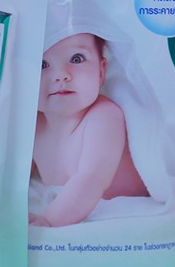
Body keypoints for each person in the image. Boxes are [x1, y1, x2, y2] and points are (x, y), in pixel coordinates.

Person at [30, 32, 146, 227]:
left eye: (77, 59)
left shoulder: (104, 116)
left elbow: (92, 178)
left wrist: (49, 220)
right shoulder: (33, 125)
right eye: (42, 64)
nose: (61, 75)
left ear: (101, 72)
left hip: (118, 200)